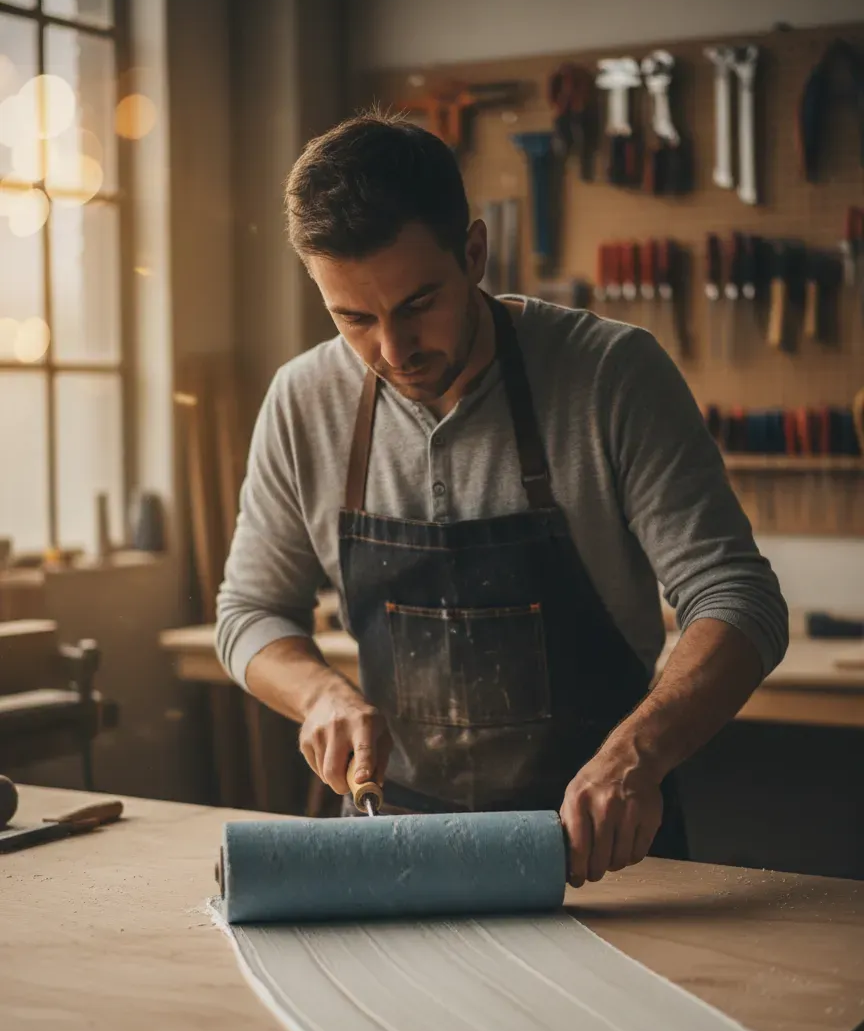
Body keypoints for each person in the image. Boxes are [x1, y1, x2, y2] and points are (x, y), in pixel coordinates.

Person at [216, 110, 788, 886]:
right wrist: (319, 695)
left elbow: (739, 597)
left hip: (599, 844)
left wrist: (636, 754)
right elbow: (249, 613)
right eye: (353, 318)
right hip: (396, 844)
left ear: (475, 253)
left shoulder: (610, 375)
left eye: (418, 304)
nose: (392, 351)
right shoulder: (302, 400)